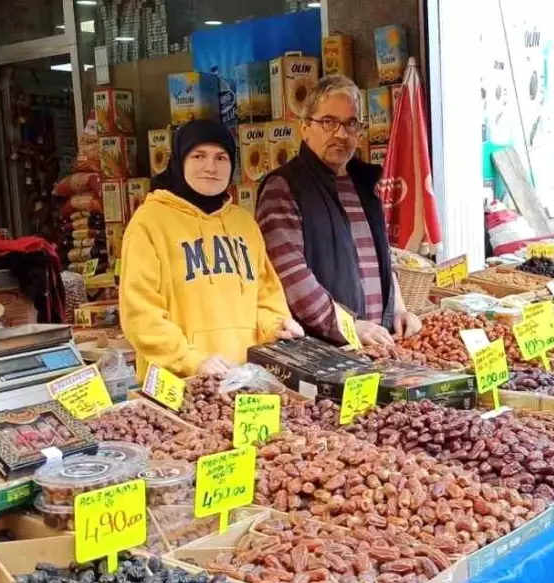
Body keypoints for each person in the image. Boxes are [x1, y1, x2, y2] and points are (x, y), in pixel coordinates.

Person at [119, 120, 303, 379]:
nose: (210, 167)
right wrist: (192, 360)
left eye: (221, 157)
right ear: (180, 160)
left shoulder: (244, 223)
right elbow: (140, 314)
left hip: (242, 379)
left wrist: (276, 327)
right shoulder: (148, 223)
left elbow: (265, 295)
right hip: (182, 385)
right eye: (198, 156)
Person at [256, 75, 422, 348]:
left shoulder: (367, 181)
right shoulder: (284, 187)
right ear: (305, 127)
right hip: (322, 350)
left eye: (351, 123)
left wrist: (400, 310)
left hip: (377, 344)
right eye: (329, 122)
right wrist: (348, 325)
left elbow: (382, 258)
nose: (341, 134)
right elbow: (291, 276)